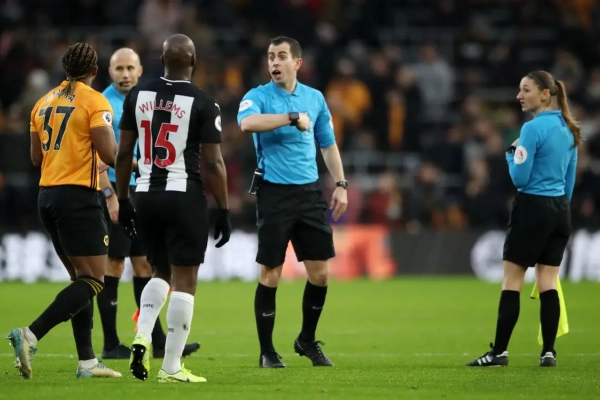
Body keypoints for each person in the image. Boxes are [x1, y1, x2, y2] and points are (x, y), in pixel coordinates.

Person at [115, 34, 231, 383]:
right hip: (184, 195)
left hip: (146, 195)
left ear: (161, 60)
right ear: (193, 61)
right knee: (186, 279)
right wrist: (224, 209)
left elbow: (124, 153)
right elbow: (214, 162)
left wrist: (123, 200)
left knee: (159, 270)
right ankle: (171, 366)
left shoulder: (137, 95)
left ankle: (142, 335)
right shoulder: (204, 102)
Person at [7, 42, 122, 379]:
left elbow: (36, 157)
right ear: (95, 71)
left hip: (48, 197)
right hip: (78, 197)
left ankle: (87, 362)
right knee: (94, 280)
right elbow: (109, 154)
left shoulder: (42, 102)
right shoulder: (95, 101)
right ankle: (30, 334)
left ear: (65, 69)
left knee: (79, 278)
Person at [237, 36, 348, 369]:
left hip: (309, 193)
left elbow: (328, 145)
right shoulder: (258, 96)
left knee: (321, 274)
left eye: (281, 56)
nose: (274, 62)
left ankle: (306, 340)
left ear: (296, 63)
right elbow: (247, 123)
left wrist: (341, 184)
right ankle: (267, 352)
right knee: (271, 274)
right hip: (274, 193)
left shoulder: (315, 98)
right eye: (271, 56)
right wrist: (290, 117)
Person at [467, 70, 580, 368]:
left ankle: (499, 352)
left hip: (532, 207)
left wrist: (510, 152)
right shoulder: (568, 128)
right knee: (548, 282)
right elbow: (569, 182)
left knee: (512, 281)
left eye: (526, 90)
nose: (519, 95)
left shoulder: (531, 128)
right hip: (560, 210)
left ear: (545, 94)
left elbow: (520, 178)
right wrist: (558, 208)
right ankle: (549, 353)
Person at [99, 47, 200, 360]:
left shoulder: (145, 98)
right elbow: (96, 156)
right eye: (119, 69)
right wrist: (110, 195)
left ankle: (156, 340)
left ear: (140, 70)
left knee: (145, 263)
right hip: (116, 189)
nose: (125, 74)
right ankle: (110, 343)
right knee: (114, 264)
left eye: (130, 68)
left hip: (143, 190)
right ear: (110, 71)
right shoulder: (103, 104)